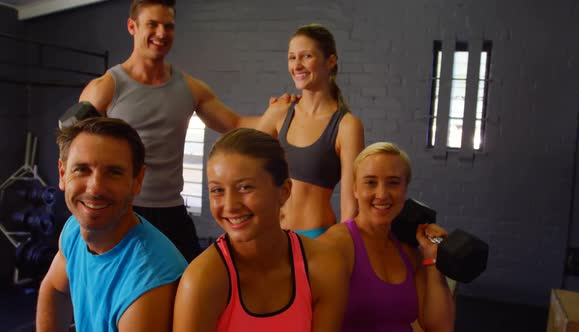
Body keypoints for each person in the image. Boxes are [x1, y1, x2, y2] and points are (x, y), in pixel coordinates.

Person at [78, 0, 292, 261]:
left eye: (168, 26)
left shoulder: (190, 88)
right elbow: (76, 150)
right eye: (152, 25)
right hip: (125, 209)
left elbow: (234, 124)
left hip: (172, 210)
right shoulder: (105, 87)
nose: (161, 33)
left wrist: (275, 115)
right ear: (132, 26)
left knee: (187, 287)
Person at [173, 128, 348, 332]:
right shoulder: (201, 280)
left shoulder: (324, 267)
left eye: (245, 187)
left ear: (284, 192)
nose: (229, 205)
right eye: (217, 190)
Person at [36, 117, 187, 331]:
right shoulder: (73, 231)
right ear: (62, 173)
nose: (95, 188)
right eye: (82, 169)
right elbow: (54, 288)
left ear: (137, 180)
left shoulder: (148, 281)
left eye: (114, 172)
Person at [318, 142, 455, 332]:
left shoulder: (408, 250)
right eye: (370, 182)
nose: (382, 194)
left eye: (393, 183)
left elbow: (440, 327)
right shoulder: (336, 245)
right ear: (355, 189)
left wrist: (432, 260)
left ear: (405, 190)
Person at [257, 23, 365, 239]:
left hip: (314, 237)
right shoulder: (280, 112)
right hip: (271, 235)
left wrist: (344, 251)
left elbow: (350, 205)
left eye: (306, 56)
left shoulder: (346, 126)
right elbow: (241, 158)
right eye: (291, 57)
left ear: (331, 61)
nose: (297, 65)